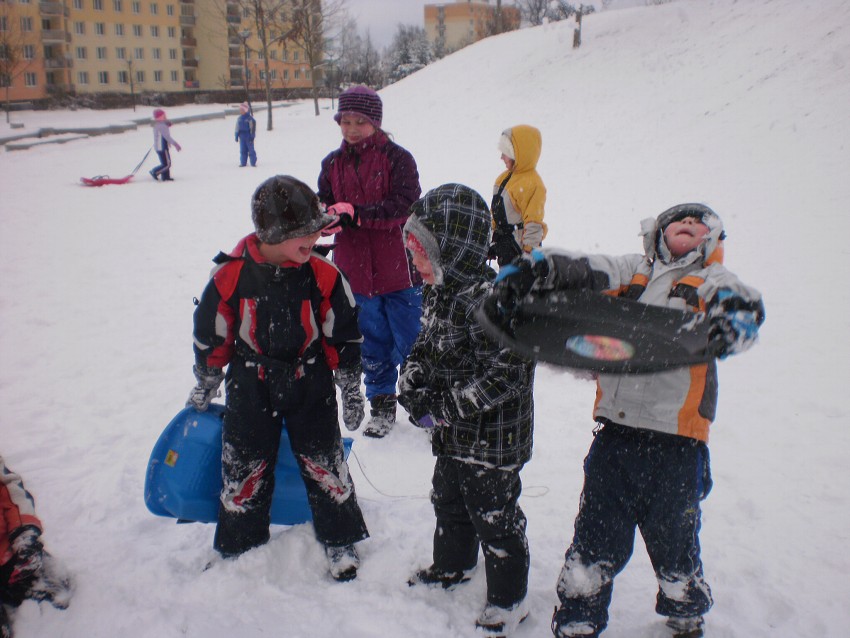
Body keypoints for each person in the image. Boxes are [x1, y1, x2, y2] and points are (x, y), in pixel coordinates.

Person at [494, 203, 765, 638]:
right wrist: (535, 268)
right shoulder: (632, 272)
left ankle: (684, 606)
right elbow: (584, 269)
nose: (689, 225)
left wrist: (734, 322)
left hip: (677, 443)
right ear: (660, 230)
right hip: (615, 438)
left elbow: (743, 303)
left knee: (675, 541)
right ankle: (579, 615)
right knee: (594, 536)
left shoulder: (713, 282)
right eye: (681, 220)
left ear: (710, 240)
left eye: (699, 225)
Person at [187, 175, 369, 581]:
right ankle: (240, 543)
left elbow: (343, 332)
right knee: (243, 465)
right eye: (304, 232)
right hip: (250, 382)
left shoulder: (322, 274)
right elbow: (212, 331)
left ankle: (339, 535)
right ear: (271, 234)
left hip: (310, 378)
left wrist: (351, 385)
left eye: (318, 228)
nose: (315, 237)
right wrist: (208, 376)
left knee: (325, 461)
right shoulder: (230, 275)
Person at [398, 184, 536, 637]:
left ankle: (508, 600)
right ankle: (453, 565)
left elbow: (504, 376)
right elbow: (425, 343)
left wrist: (441, 409)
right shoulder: (439, 292)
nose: (415, 265)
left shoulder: (493, 302)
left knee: (494, 518)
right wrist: (414, 374)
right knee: (449, 502)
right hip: (454, 437)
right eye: (413, 254)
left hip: (494, 441)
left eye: (421, 254)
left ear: (452, 250)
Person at [318, 85, 423, 439]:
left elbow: (405, 205)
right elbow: (325, 202)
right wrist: (325, 218)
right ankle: (382, 403)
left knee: (414, 340)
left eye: (359, 121)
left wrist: (356, 215)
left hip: (400, 269)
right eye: (345, 121)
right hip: (355, 274)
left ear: (375, 122)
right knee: (371, 342)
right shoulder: (331, 164)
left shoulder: (398, 159)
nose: (350, 129)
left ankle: (426, 406)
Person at [1, 454, 72, 638]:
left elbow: (11, 491)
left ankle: (23, 577)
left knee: (57, 584)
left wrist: (23, 533)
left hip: (7, 553)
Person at [488, 125, 547, 267]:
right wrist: (491, 240)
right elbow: (494, 214)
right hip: (504, 248)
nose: (501, 157)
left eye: (505, 153)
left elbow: (534, 225)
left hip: (518, 251)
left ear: (518, 154)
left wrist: (528, 256)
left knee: (514, 287)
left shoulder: (533, 185)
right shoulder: (503, 179)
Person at [149, 108, 182, 182]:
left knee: (165, 163)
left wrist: (167, 123)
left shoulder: (158, 124)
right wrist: (176, 144)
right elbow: (167, 137)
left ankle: (166, 177)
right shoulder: (161, 126)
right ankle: (154, 172)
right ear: (158, 117)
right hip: (162, 147)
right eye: (162, 115)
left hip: (159, 147)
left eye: (164, 115)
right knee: (167, 164)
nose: (164, 116)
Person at [234, 102, 257, 168]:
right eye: (240, 110)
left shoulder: (250, 119)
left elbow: (252, 128)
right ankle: (243, 162)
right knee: (242, 150)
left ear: (246, 110)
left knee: (251, 150)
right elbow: (237, 127)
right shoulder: (239, 119)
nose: (240, 111)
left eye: (242, 110)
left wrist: (252, 136)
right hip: (242, 137)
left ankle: (253, 162)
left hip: (248, 136)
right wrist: (236, 135)